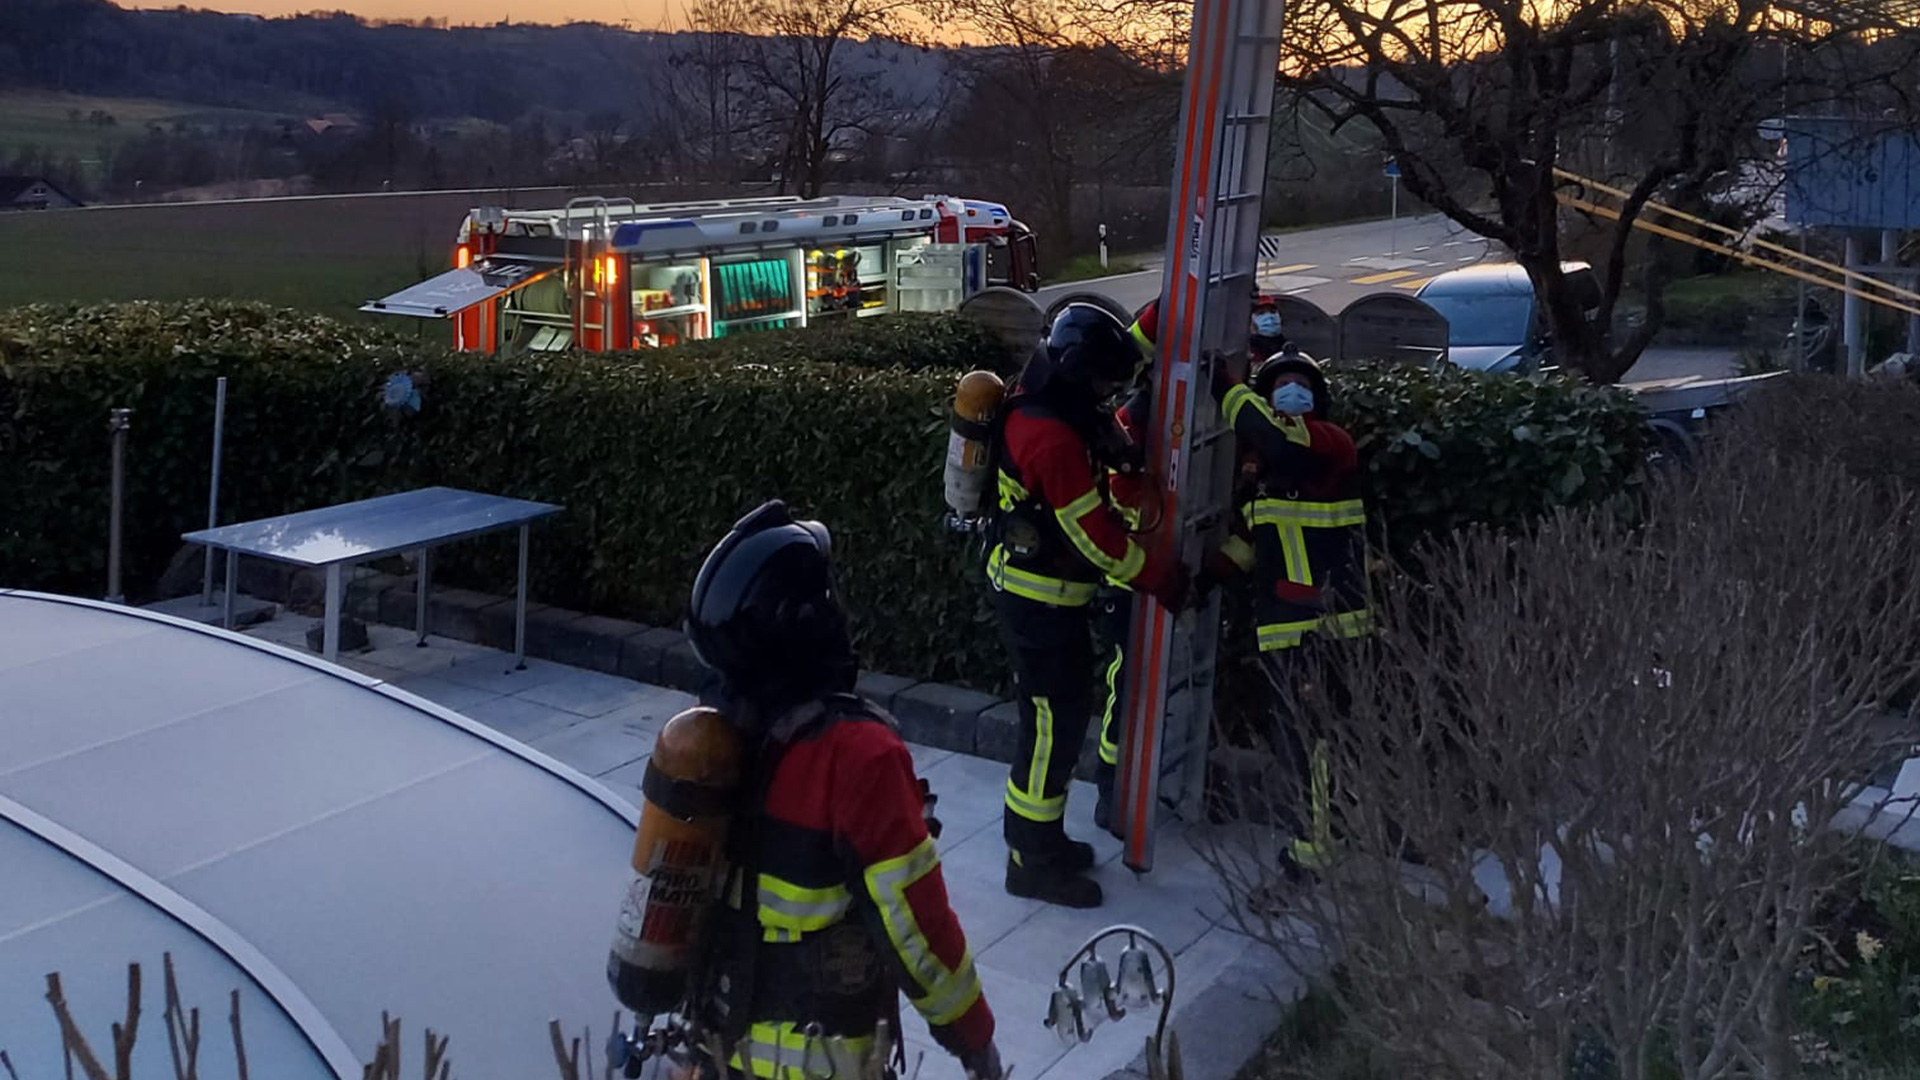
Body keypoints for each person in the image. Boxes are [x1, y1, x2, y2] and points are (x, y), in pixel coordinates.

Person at [686, 500, 1002, 1080]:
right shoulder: (860, 755)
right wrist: (975, 1037)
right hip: (816, 1062)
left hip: (716, 1050)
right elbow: (917, 927)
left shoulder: (713, 736)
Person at [988, 303, 1190, 908]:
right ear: (1079, 373)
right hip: (1038, 601)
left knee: (1060, 720)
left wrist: (1170, 309)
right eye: (1103, 384)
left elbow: (1119, 349)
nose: (1109, 394)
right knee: (1052, 727)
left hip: (1048, 597)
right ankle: (1030, 858)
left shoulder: (1057, 385)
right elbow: (1092, 535)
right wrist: (1158, 576)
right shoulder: (1048, 435)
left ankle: (1043, 839)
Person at [1205, 347, 1371, 873]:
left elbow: (1279, 434)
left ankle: (1315, 851)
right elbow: (1256, 544)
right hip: (1288, 626)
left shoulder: (1328, 443)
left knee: (1313, 743)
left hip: (1327, 625)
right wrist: (1201, 579)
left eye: (1298, 385)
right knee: (1298, 740)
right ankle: (1320, 837)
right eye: (1281, 386)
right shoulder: (1269, 474)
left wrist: (1227, 388)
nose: (1289, 395)